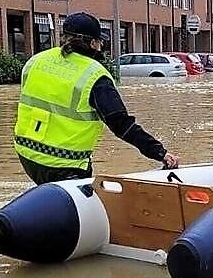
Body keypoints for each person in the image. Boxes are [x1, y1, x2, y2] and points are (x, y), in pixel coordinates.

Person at [13, 12, 178, 184]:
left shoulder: (36, 61)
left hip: (26, 154)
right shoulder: (95, 76)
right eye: (100, 42)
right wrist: (160, 152)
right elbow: (121, 125)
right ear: (93, 43)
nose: (101, 46)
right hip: (64, 164)